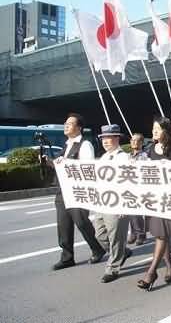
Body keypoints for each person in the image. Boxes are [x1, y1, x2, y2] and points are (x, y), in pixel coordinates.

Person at [46, 113, 106, 271]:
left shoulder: (85, 145)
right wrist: (49, 162)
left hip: (77, 191)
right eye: (65, 123)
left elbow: (87, 167)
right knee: (63, 225)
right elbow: (62, 166)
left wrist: (66, 162)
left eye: (70, 123)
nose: (66, 125)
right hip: (62, 191)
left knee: (82, 222)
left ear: (79, 127)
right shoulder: (66, 145)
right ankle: (67, 257)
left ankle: (98, 248)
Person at [137, 117, 171, 291]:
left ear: (166, 130)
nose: (154, 131)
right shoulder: (150, 148)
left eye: (157, 128)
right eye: (153, 128)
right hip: (154, 197)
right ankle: (170, 264)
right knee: (159, 233)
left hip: (169, 197)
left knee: (162, 235)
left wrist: (169, 166)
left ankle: (151, 272)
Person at [93, 124, 132, 283]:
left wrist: (125, 204)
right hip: (102, 202)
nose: (105, 141)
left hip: (117, 203)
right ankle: (122, 252)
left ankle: (113, 268)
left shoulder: (123, 157)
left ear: (116, 138)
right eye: (103, 138)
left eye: (108, 138)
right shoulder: (103, 157)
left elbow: (129, 182)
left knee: (116, 237)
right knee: (100, 234)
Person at [127, 133, 148, 246]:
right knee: (131, 211)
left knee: (138, 212)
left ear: (141, 143)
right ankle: (134, 233)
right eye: (133, 140)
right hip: (129, 185)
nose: (134, 142)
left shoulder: (144, 156)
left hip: (139, 186)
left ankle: (140, 234)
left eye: (137, 140)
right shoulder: (127, 156)